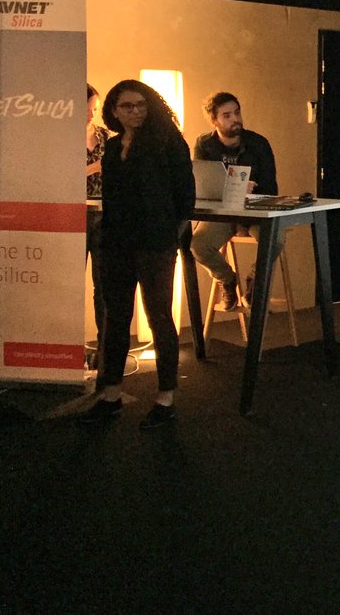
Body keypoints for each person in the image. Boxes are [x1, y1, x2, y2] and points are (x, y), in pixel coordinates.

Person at [82, 80, 195, 429]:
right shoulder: (114, 147)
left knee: (159, 316)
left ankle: (165, 398)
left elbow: (185, 196)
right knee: (115, 318)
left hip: (155, 242)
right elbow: (112, 198)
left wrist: (170, 237)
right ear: (114, 111)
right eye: (127, 106)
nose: (136, 112)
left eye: (141, 104)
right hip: (117, 242)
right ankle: (111, 395)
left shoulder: (168, 141)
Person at [190, 92, 283, 309]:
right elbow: (203, 184)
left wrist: (244, 213)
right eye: (227, 115)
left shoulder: (258, 143)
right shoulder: (204, 144)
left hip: (255, 210)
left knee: (274, 241)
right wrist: (235, 190)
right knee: (198, 245)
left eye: (237, 113)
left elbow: (270, 188)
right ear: (214, 120)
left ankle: (254, 280)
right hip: (223, 211)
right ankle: (227, 279)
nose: (235, 119)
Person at [84, 84, 110, 375]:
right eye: (88, 108)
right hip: (74, 214)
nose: (92, 113)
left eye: (94, 108)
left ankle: (105, 353)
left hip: (104, 214)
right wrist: (92, 168)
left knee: (103, 286)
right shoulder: (60, 137)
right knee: (68, 285)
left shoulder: (104, 135)